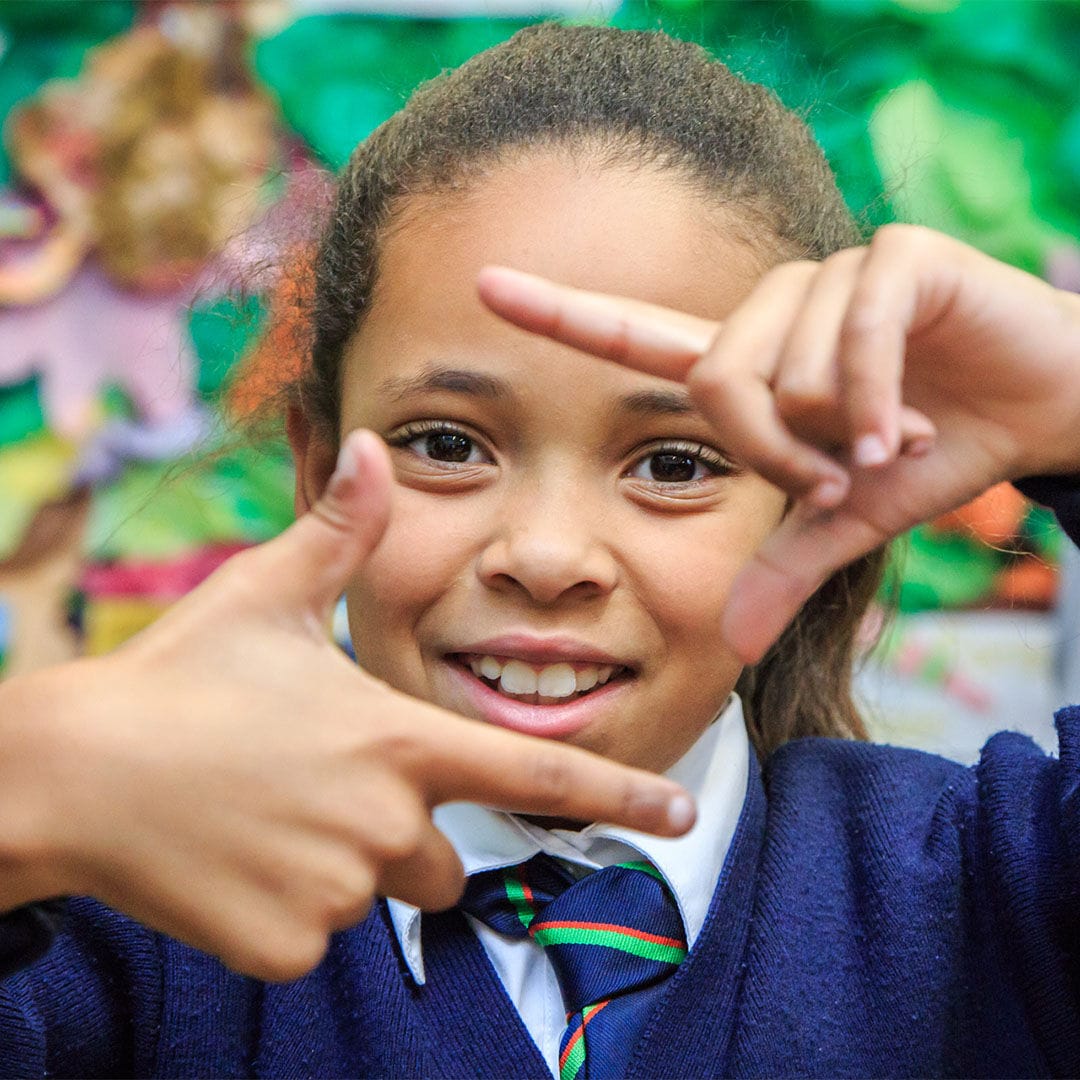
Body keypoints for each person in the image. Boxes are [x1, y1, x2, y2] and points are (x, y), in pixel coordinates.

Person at [2, 21, 1080, 1078]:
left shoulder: (994, 892)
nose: (549, 553)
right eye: (445, 444)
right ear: (319, 461)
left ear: (813, 500)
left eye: (673, 463)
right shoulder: (130, 933)